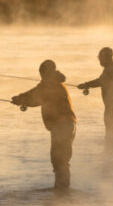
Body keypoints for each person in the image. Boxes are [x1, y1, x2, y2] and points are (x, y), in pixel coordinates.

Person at [12, 60, 76, 189]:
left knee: (59, 159)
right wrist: (22, 99)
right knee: (60, 159)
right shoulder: (55, 83)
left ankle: (61, 191)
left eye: (42, 73)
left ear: (47, 72)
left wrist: (20, 99)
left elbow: (35, 96)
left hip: (62, 126)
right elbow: (36, 97)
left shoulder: (50, 85)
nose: (41, 76)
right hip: (67, 125)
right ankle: (62, 190)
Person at [77, 47, 113, 145]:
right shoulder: (110, 69)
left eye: (100, 57)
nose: (99, 60)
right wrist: (87, 85)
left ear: (107, 58)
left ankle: (112, 155)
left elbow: (100, 81)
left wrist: (86, 85)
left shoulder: (111, 70)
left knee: (112, 135)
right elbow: (102, 81)